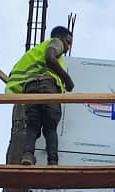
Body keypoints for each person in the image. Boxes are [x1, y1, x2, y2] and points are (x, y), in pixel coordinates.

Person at [5, 26, 75, 166]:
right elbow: (50, 57)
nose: (67, 47)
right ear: (60, 37)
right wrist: (67, 80)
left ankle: (28, 155)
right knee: (50, 127)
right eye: (68, 42)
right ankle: (53, 162)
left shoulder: (33, 53)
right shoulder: (56, 42)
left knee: (32, 126)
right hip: (47, 88)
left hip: (30, 90)